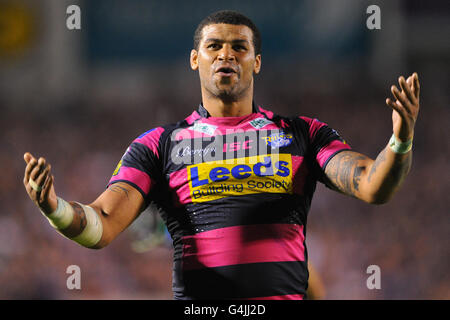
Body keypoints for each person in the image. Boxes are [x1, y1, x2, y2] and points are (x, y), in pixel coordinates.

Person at [23, 10, 420, 300]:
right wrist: (54, 208)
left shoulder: (303, 134)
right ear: (195, 59)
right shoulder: (157, 146)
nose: (226, 55)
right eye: (213, 46)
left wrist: (399, 140)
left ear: (256, 62)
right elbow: (102, 225)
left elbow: (373, 186)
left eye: (239, 47)